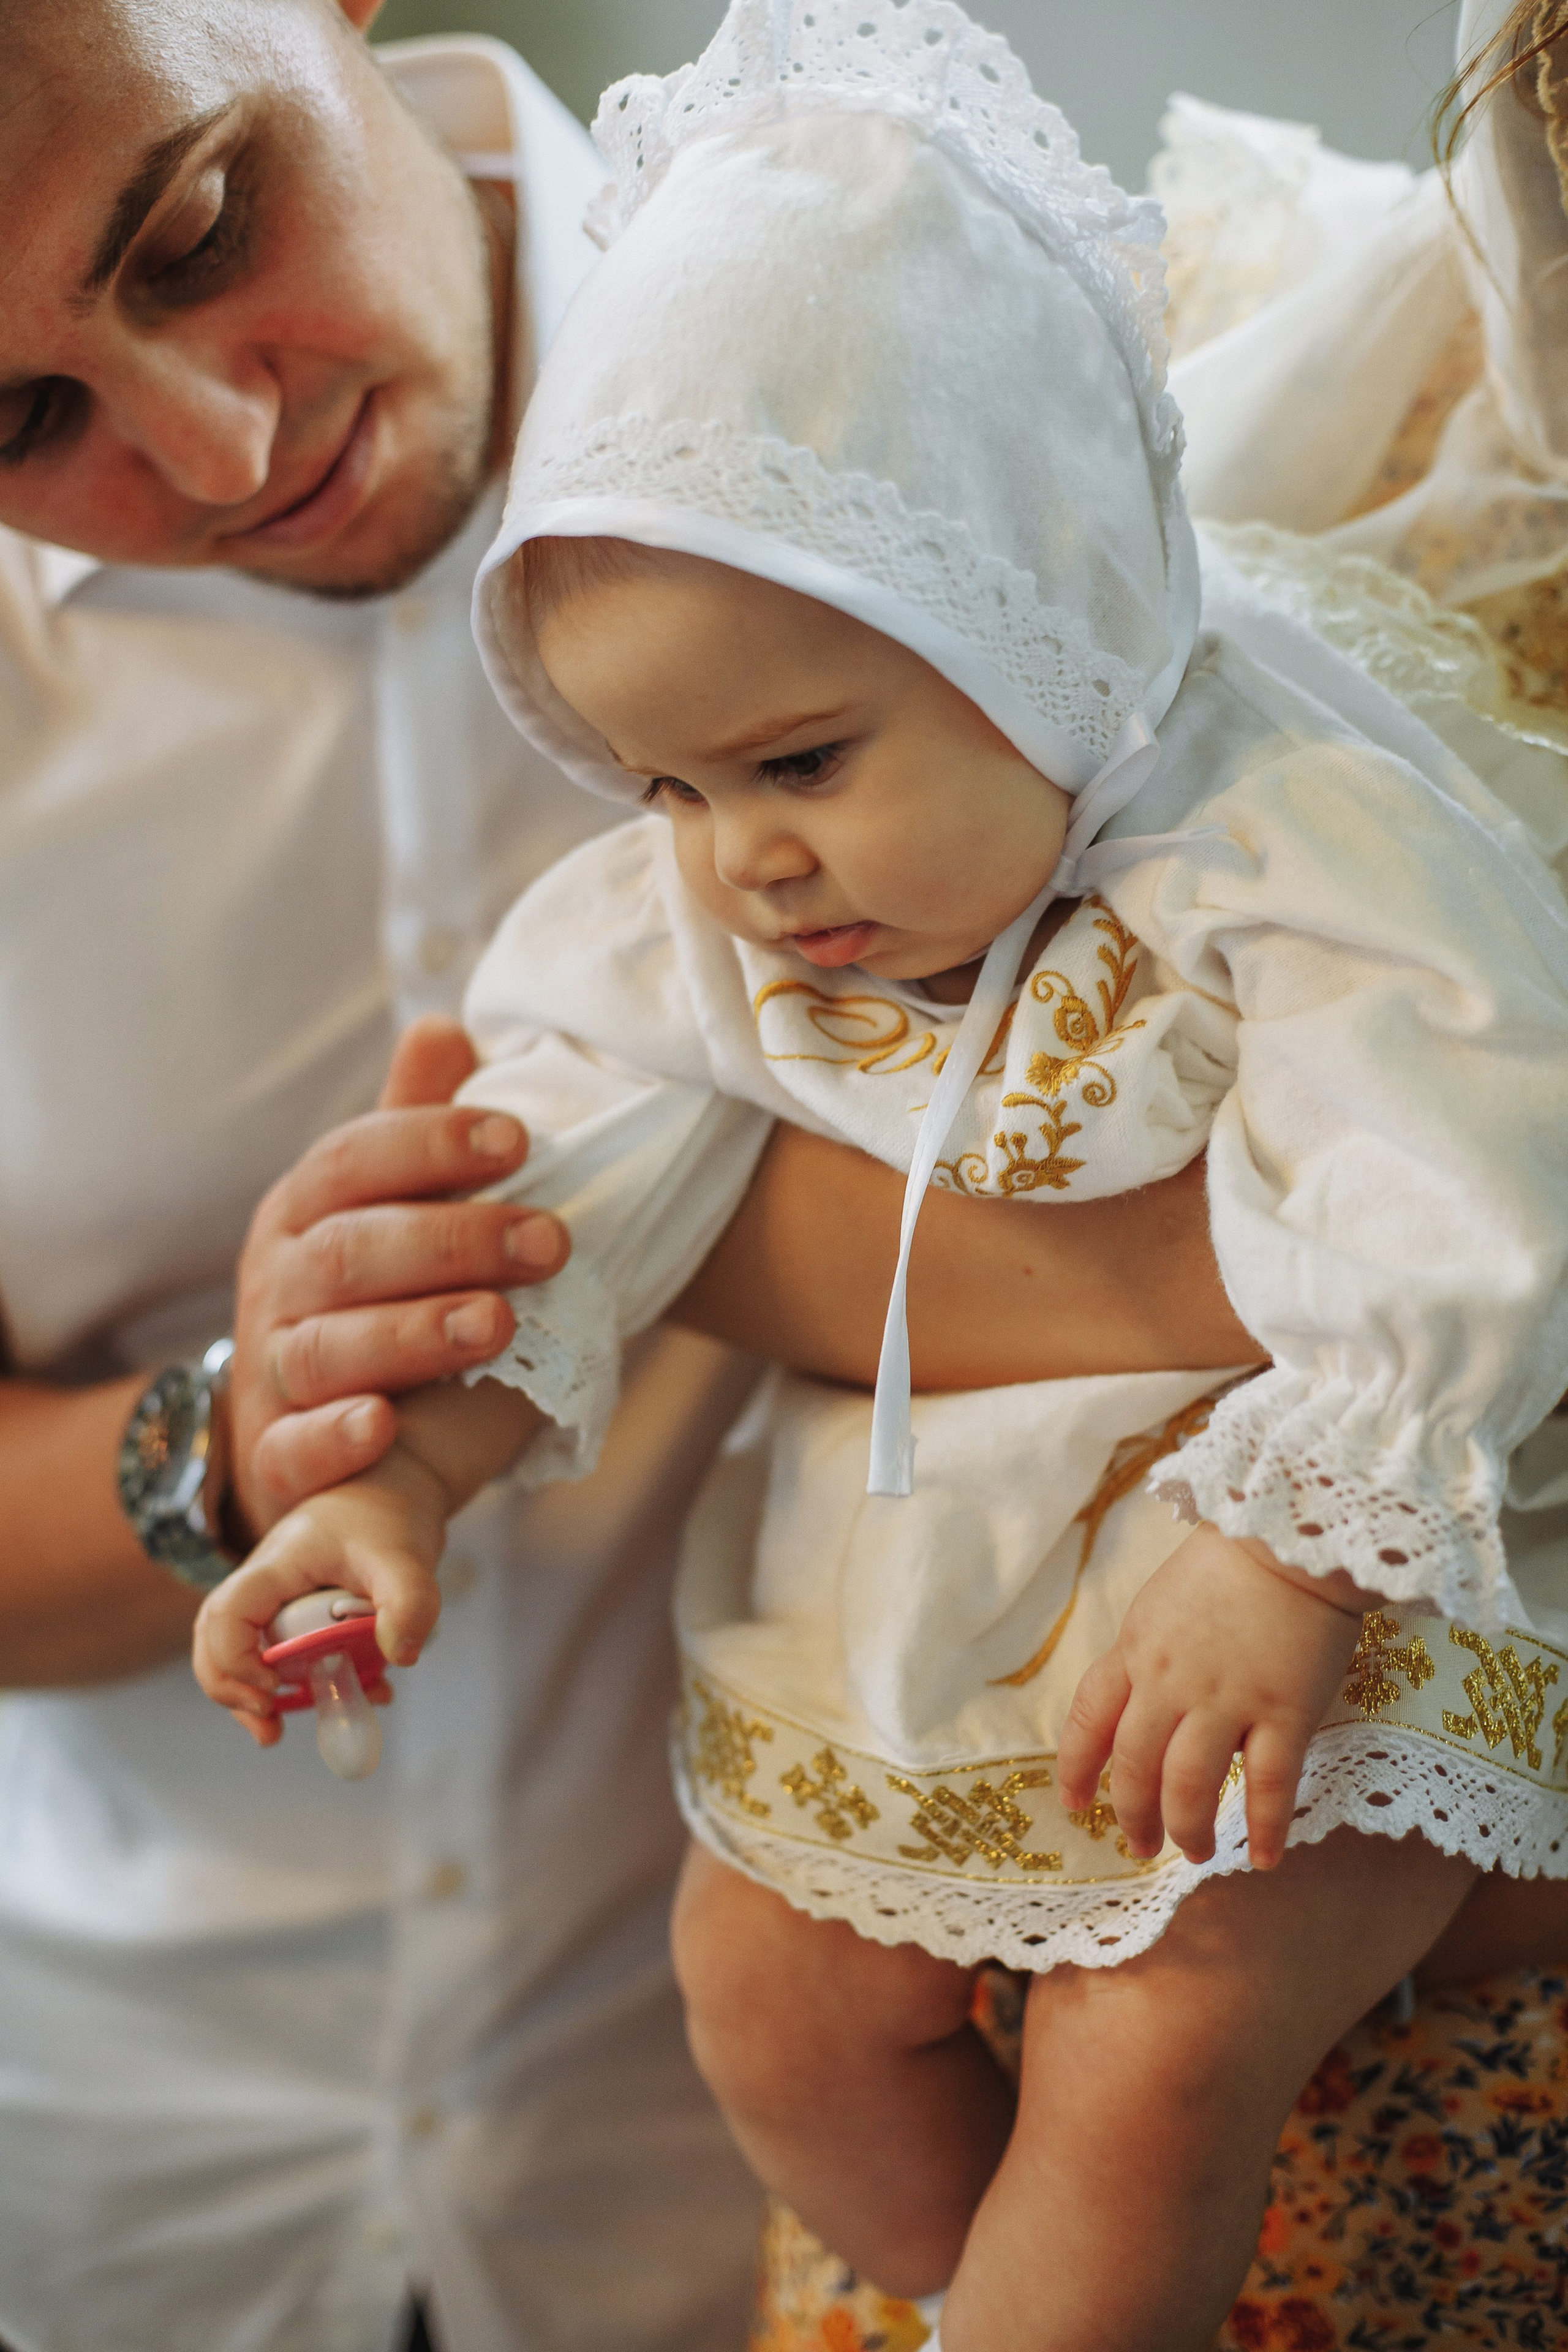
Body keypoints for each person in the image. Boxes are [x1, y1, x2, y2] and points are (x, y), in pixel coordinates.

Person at [188, 7, 1568, 2350]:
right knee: (761, 1984)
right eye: (662, 788)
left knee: (1161, 2025)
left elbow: (1465, 1159)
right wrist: (391, 1489)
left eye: (802, 758)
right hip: (930, 1598)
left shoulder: (1285, 834)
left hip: (1307, 1607)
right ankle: (969, 2304)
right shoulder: (710, 909)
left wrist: (1283, 1540)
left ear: (1052, 620)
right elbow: (557, 1197)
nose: (743, 861)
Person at [0, 3, 1262, 2346]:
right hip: (120, 2142)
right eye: (16, 421)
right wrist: (237, 1444)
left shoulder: (954, 373)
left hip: (785, 2144)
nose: (215, 436)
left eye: (198, 223)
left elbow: (1356, 1156)